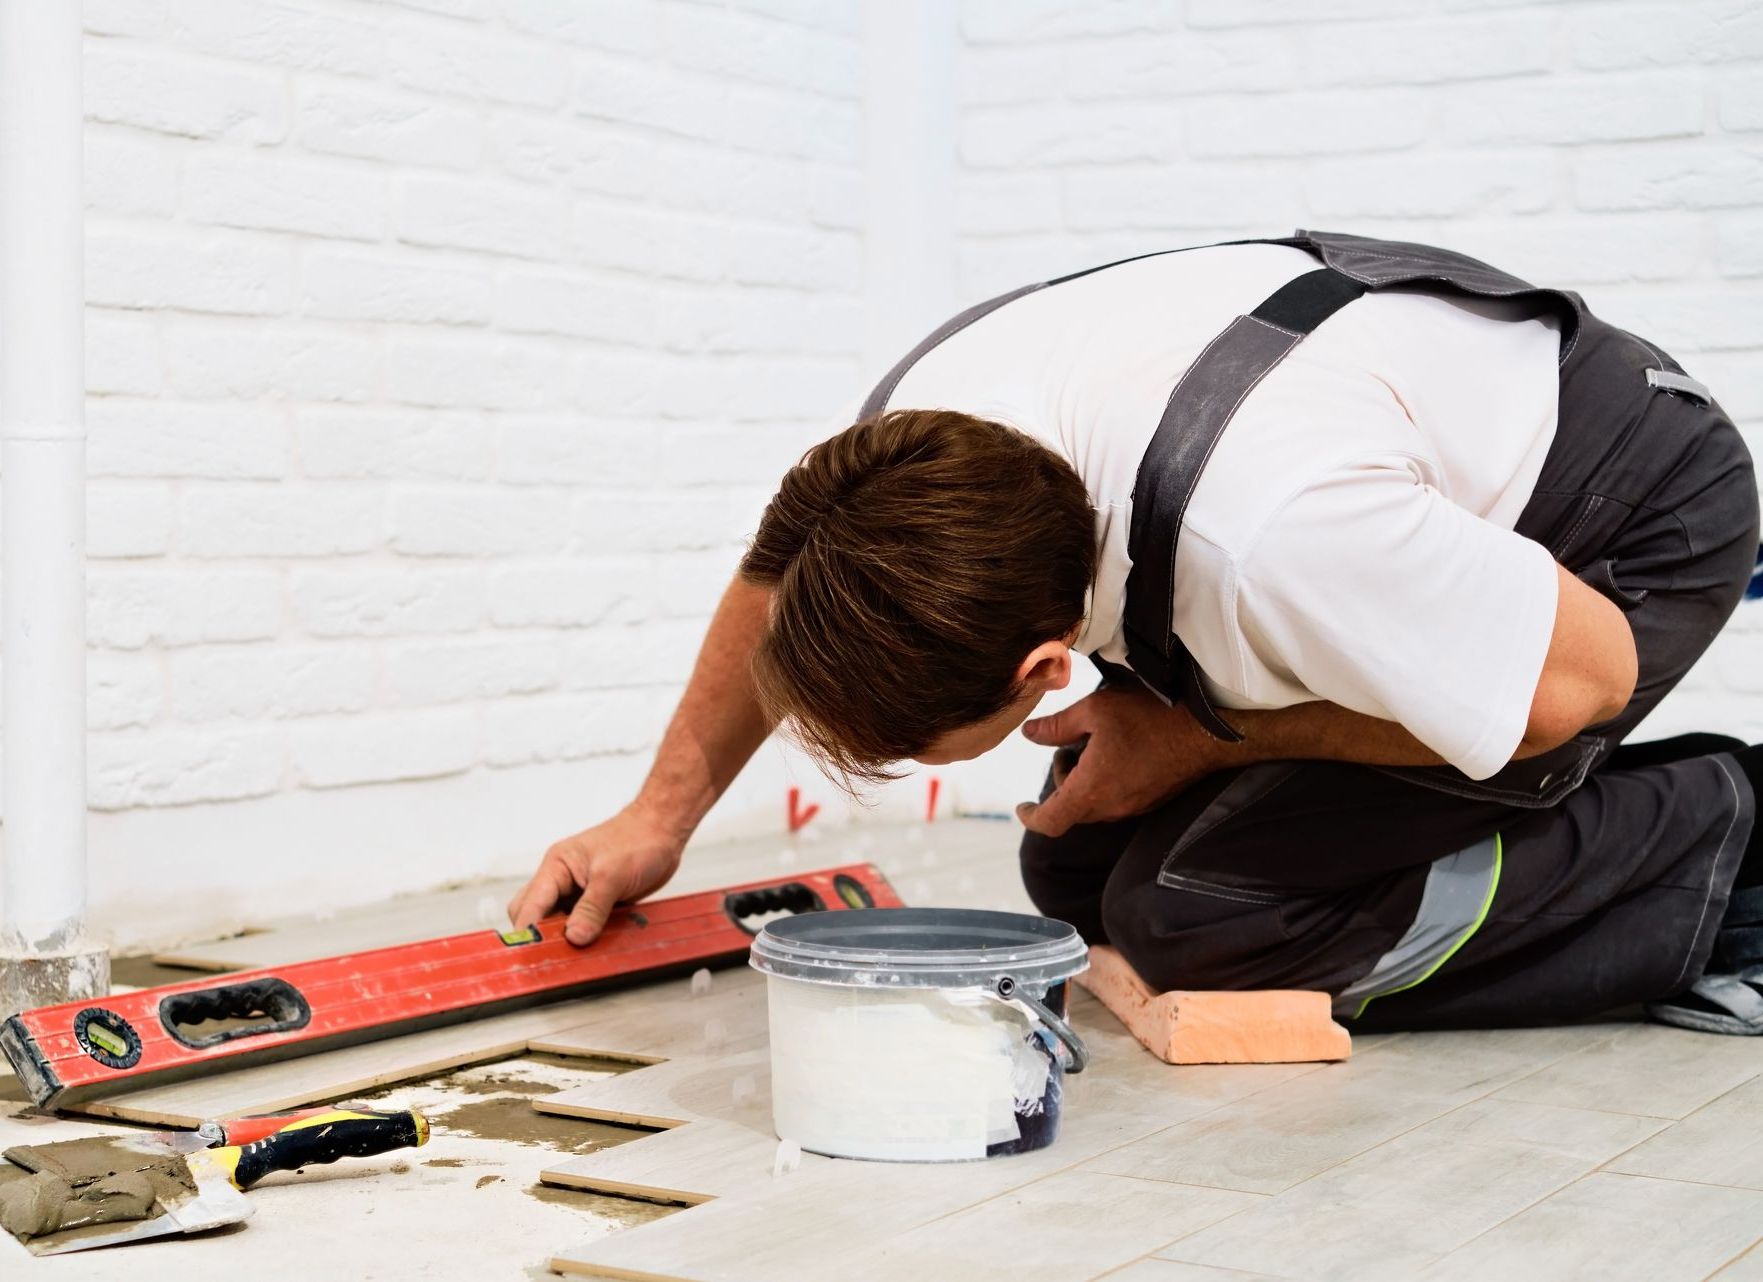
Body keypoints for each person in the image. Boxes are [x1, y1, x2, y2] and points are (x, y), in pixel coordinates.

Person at [510, 231, 1763, 1035]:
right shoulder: (905, 448)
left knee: (1210, 926)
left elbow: (1576, 685)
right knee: (1069, 879)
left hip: (1604, 533)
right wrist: (656, 816)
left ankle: (1714, 838)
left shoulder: (1275, 537)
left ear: (1047, 666)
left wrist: (1200, 736)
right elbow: (777, 580)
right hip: (1365, 492)